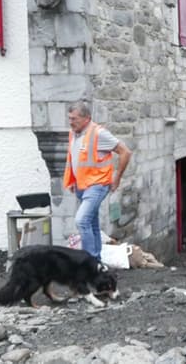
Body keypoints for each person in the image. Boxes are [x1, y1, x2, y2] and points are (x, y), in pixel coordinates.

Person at [63, 101, 132, 262]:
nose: (71, 122)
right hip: (82, 185)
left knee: (82, 220)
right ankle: (97, 263)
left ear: (86, 118)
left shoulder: (98, 133)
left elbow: (125, 152)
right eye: (70, 118)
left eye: (74, 119)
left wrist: (117, 178)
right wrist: (72, 180)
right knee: (91, 223)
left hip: (97, 185)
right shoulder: (74, 133)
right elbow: (75, 157)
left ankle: (88, 264)